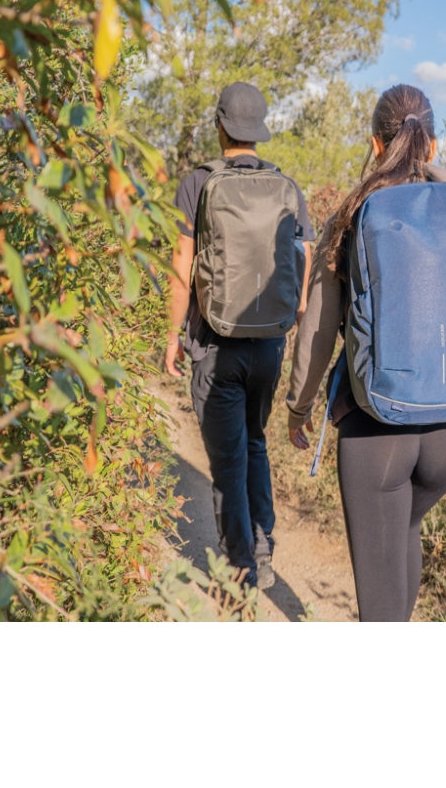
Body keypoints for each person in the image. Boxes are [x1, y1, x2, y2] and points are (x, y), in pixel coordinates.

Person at [286, 84, 446, 622]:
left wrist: (299, 405)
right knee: (404, 533)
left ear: (375, 143)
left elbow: (319, 328)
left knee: (380, 600)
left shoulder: (355, 214)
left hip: (377, 430)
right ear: (432, 145)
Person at [165, 82, 314, 590]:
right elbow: (303, 262)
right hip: (269, 344)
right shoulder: (287, 187)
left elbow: (181, 267)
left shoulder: (197, 183)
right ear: (259, 131)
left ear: (220, 125)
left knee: (227, 459)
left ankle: (241, 570)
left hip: (215, 344)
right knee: (253, 442)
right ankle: (261, 544)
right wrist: (291, 321)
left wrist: (171, 335)